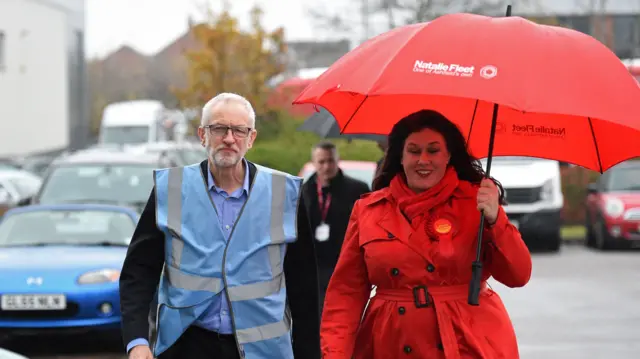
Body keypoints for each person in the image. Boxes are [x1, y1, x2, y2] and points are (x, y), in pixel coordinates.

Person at [119, 93, 321, 359]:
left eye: (239, 130)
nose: (229, 138)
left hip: (264, 350)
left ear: (251, 138)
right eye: (219, 129)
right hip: (186, 344)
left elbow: (303, 287)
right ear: (202, 135)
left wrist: (308, 353)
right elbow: (139, 271)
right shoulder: (171, 189)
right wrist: (137, 340)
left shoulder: (285, 193)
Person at [320, 109, 532, 358]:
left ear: (448, 156)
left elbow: (518, 274)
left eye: (433, 150)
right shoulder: (368, 209)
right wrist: (335, 353)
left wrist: (496, 220)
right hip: (390, 343)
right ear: (400, 156)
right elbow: (346, 293)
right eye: (414, 150)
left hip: (467, 342)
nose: (423, 160)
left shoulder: (477, 202)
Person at [302, 141, 370, 310]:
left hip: (344, 260)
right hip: (313, 264)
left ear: (337, 160)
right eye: (321, 162)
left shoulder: (356, 189)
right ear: (314, 163)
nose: (326, 167)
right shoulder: (304, 191)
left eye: (330, 161)